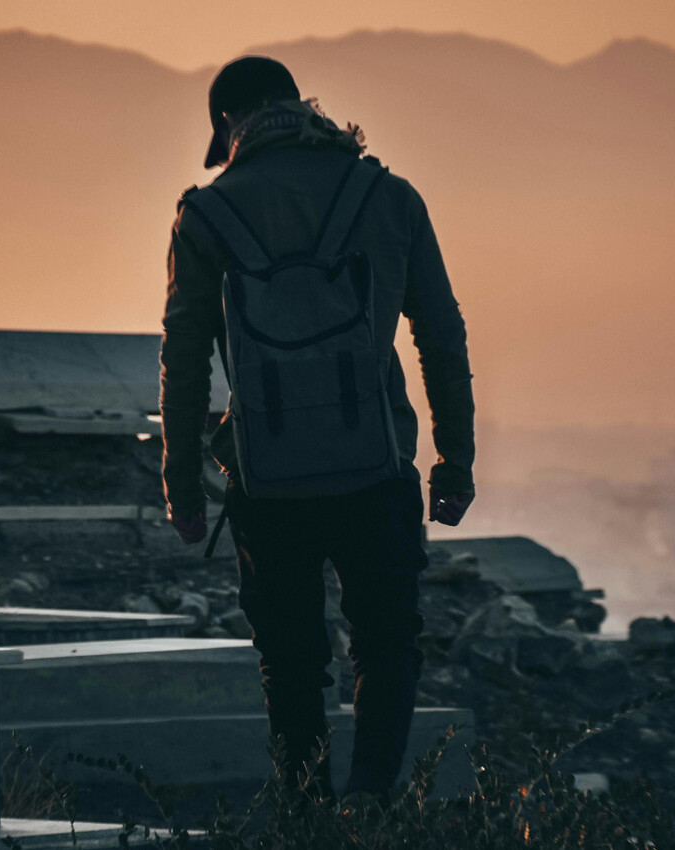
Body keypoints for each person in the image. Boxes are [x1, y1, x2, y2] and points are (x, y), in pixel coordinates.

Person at [159, 56, 476, 802]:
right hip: (376, 469)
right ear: (301, 106)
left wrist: (181, 484)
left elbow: (184, 356)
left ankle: (306, 814)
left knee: (293, 661)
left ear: (228, 124)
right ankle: (371, 796)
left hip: (268, 482)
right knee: (387, 642)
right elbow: (442, 335)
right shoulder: (389, 196)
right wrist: (453, 460)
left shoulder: (204, 216)